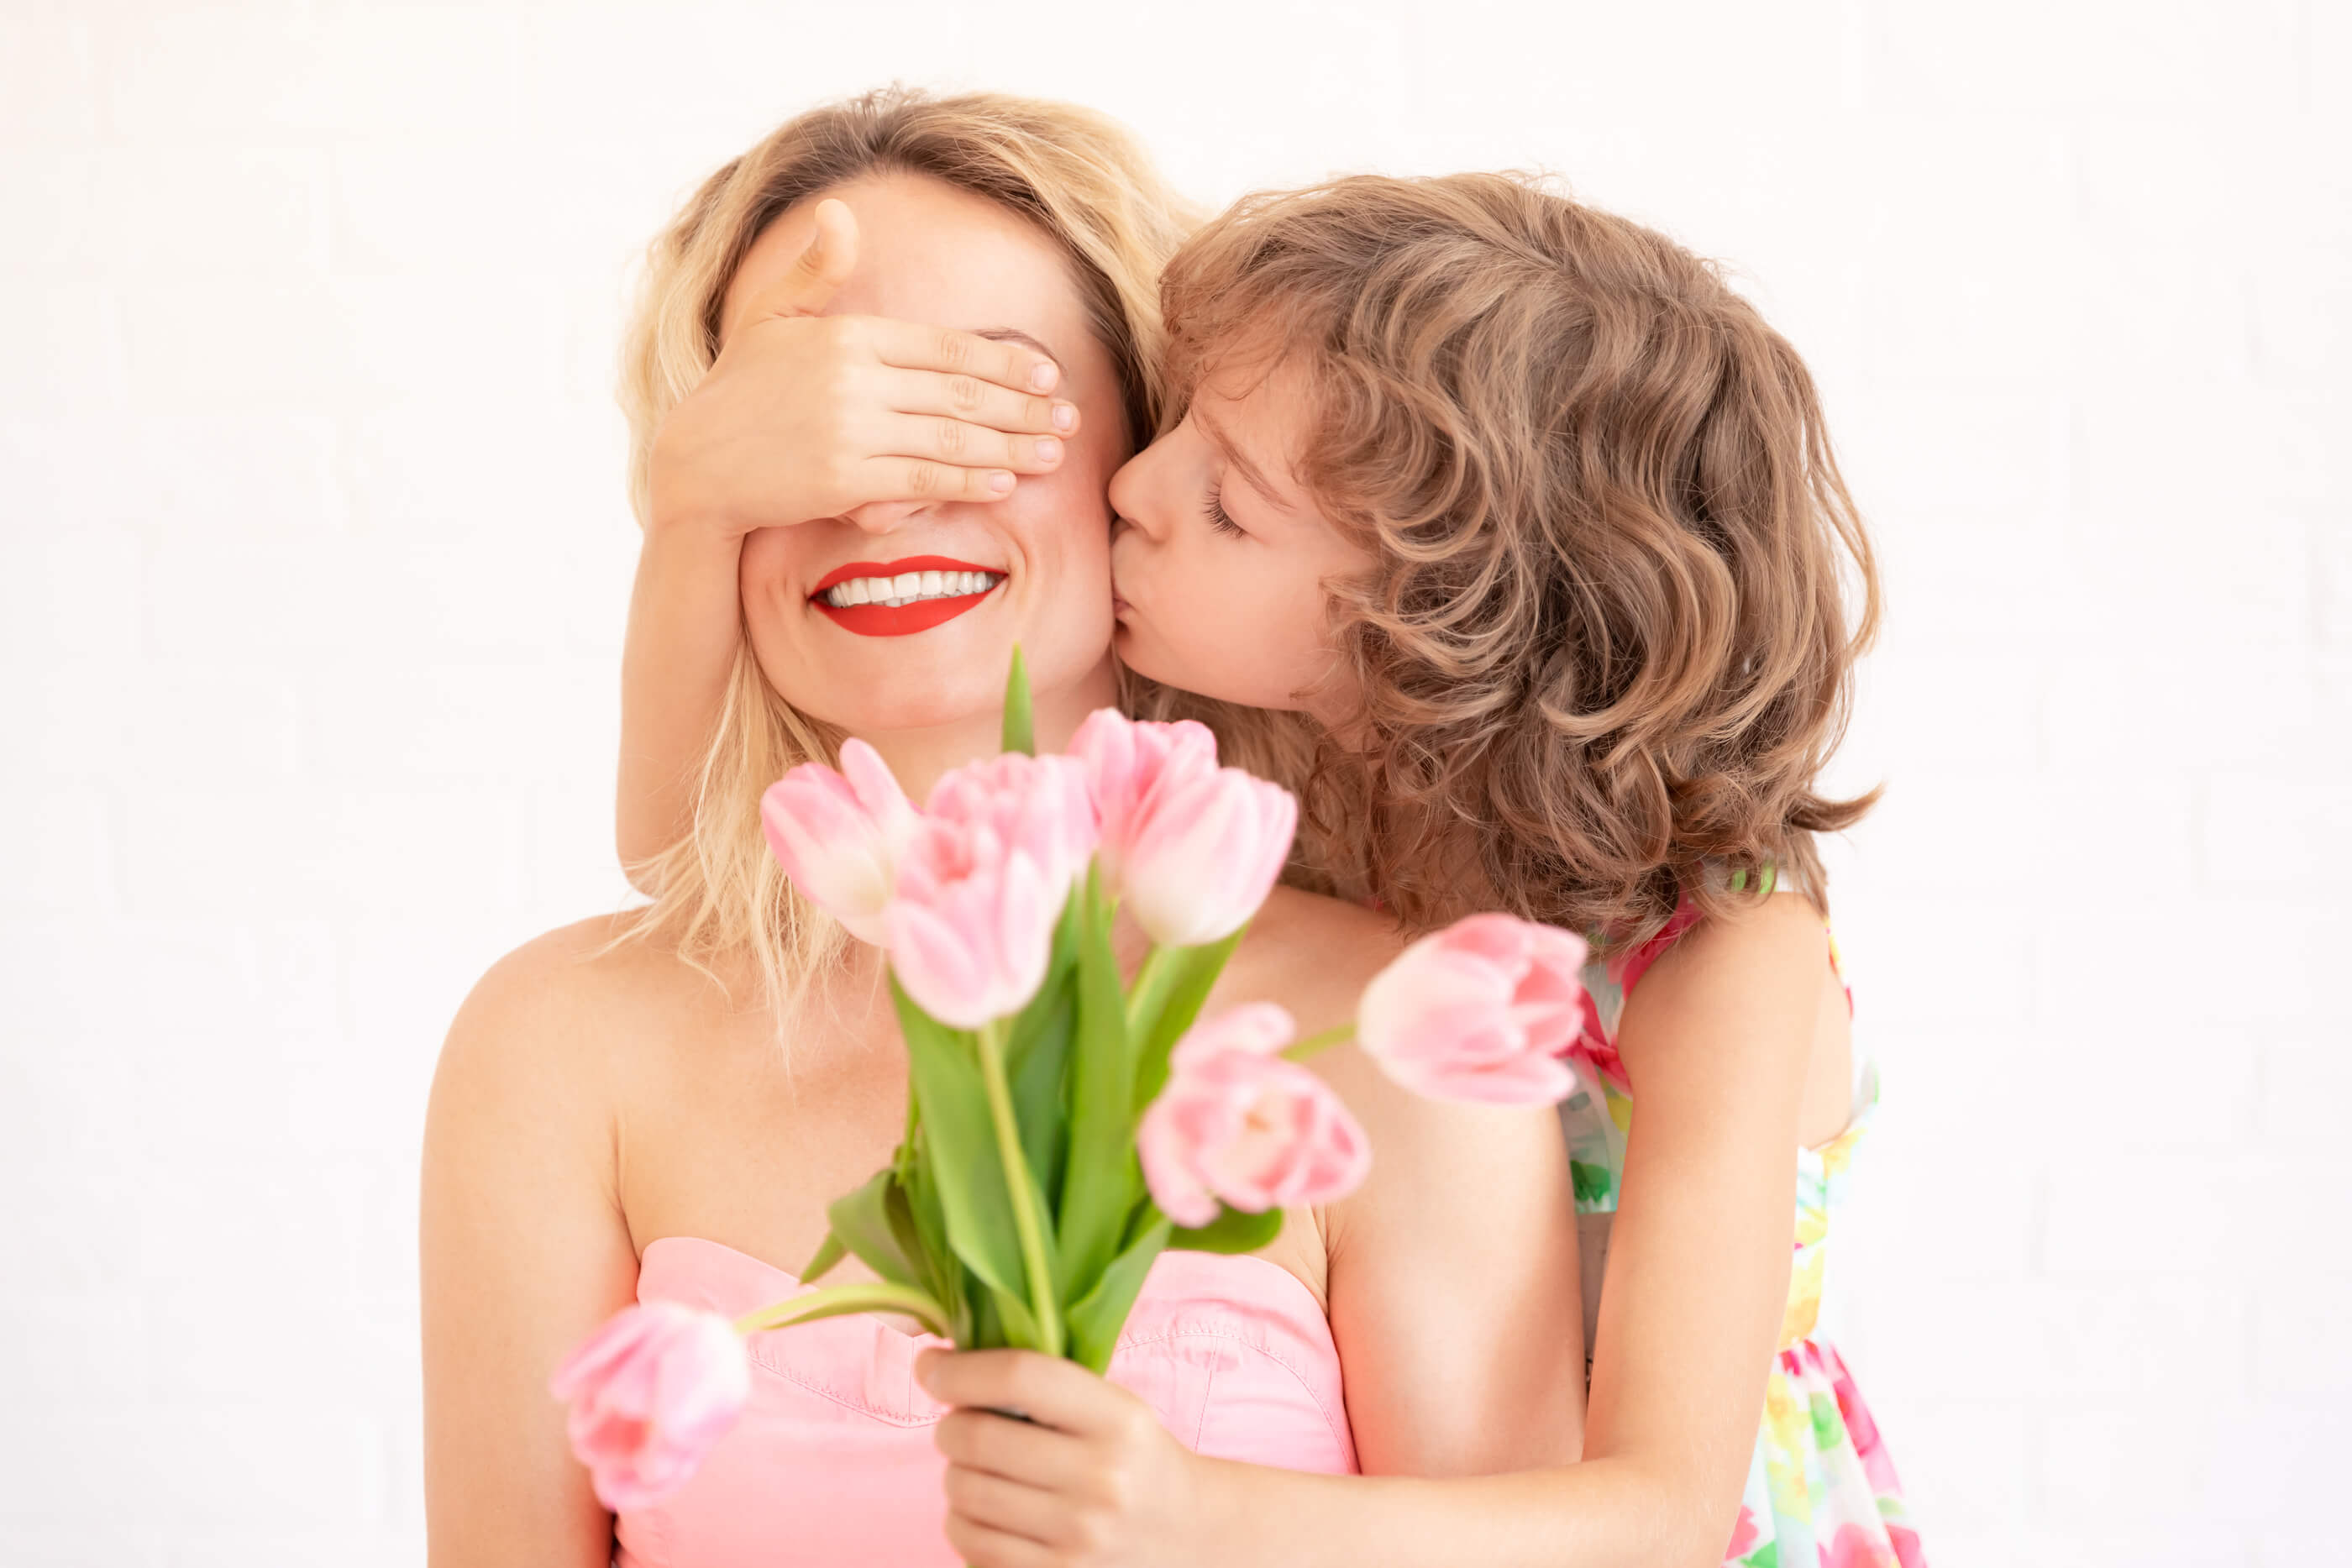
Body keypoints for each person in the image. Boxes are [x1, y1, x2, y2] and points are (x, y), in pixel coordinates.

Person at [419, 89, 1582, 1568]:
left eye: (981, 400)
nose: (879, 491)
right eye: (798, 425)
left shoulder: (1389, 1028)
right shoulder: (559, 1049)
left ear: (1158, 457)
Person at [908, 173, 1924, 1567]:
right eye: (1182, 429)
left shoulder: (1722, 953)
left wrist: (1191, 1513)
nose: (1133, 486)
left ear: (1433, 620)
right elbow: (710, 865)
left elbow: (1662, 1512)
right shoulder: (1278, 785)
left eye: (1230, 508)